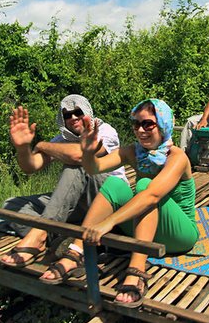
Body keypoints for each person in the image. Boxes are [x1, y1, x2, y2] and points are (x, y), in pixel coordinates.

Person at [40, 99, 198, 308]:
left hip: (179, 235)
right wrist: (87, 151)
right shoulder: (133, 152)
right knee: (115, 183)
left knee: (143, 185)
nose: (141, 130)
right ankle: (76, 251)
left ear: (164, 124)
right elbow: (95, 168)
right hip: (146, 230)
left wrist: (109, 222)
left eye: (148, 124)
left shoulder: (176, 157)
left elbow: (152, 196)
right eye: (136, 124)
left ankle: (136, 270)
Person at [0, 95, 126, 267]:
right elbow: (31, 166)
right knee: (12, 205)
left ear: (87, 111)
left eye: (77, 112)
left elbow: (79, 156)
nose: (73, 118)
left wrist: (42, 144)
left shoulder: (104, 130)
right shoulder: (62, 139)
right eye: (67, 115)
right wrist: (22, 149)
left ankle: (42, 231)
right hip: (80, 203)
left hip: (108, 198)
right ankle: (61, 238)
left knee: (78, 165)